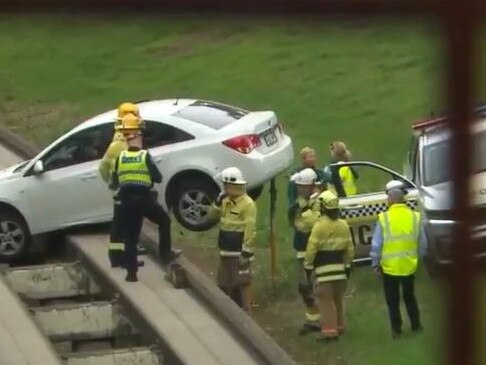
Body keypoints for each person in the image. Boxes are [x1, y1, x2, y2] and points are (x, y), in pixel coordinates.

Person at [111, 126, 177, 282]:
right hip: (144, 199)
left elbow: (114, 182)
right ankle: (165, 254)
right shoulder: (144, 156)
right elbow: (158, 177)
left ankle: (131, 274)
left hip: (127, 202)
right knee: (164, 220)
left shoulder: (120, 158)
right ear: (138, 140)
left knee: (130, 237)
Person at [370, 180, 426, 338]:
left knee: (392, 300)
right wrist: (417, 259)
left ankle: (396, 330)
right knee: (410, 297)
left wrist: (375, 264)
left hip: (389, 267)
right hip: (409, 265)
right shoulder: (415, 217)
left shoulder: (384, 218)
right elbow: (423, 243)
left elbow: (376, 245)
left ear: (391, 200)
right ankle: (416, 326)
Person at [304, 190, 354, 342]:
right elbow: (349, 249)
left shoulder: (319, 226)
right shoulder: (343, 225)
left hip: (323, 272)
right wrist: (347, 266)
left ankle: (330, 334)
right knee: (338, 300)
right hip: (340, 271)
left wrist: (308, 266)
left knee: (325, 303)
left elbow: (312, 248)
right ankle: (340, 327)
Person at [99, 103, 144, 267]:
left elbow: (103, 168)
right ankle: (124, 257)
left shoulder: (116, 143)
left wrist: (111, 183)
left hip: (123, 191)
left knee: (120, 224)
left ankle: (119, 256)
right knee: (126, 226)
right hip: (127, 192)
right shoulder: (121, 146)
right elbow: (104, 168)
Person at [210, 167, 257, 315]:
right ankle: (228, 313)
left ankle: (246, 312)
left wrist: (246, 252)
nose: (223, 188)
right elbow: (211, 217)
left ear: (232, 185)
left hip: (239, 252)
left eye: (225, 185)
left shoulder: (248, 204)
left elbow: (250, 230)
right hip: (225, 250)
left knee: (243, 282)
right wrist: (216, 203)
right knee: (224, 282)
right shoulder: (224, 201)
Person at [287, 168, 322, 334]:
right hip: (301, 249)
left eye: (303, 186)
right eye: (299, 186)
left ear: (312, 186)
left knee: (316, 286)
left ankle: (322, 320)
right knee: (303, 287)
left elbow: (314, 224)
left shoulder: (319, 201)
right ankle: (312, 319)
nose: (300, 189)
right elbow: (296, 224)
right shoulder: (300, 202)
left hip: (315, 252)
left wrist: (305, 211)